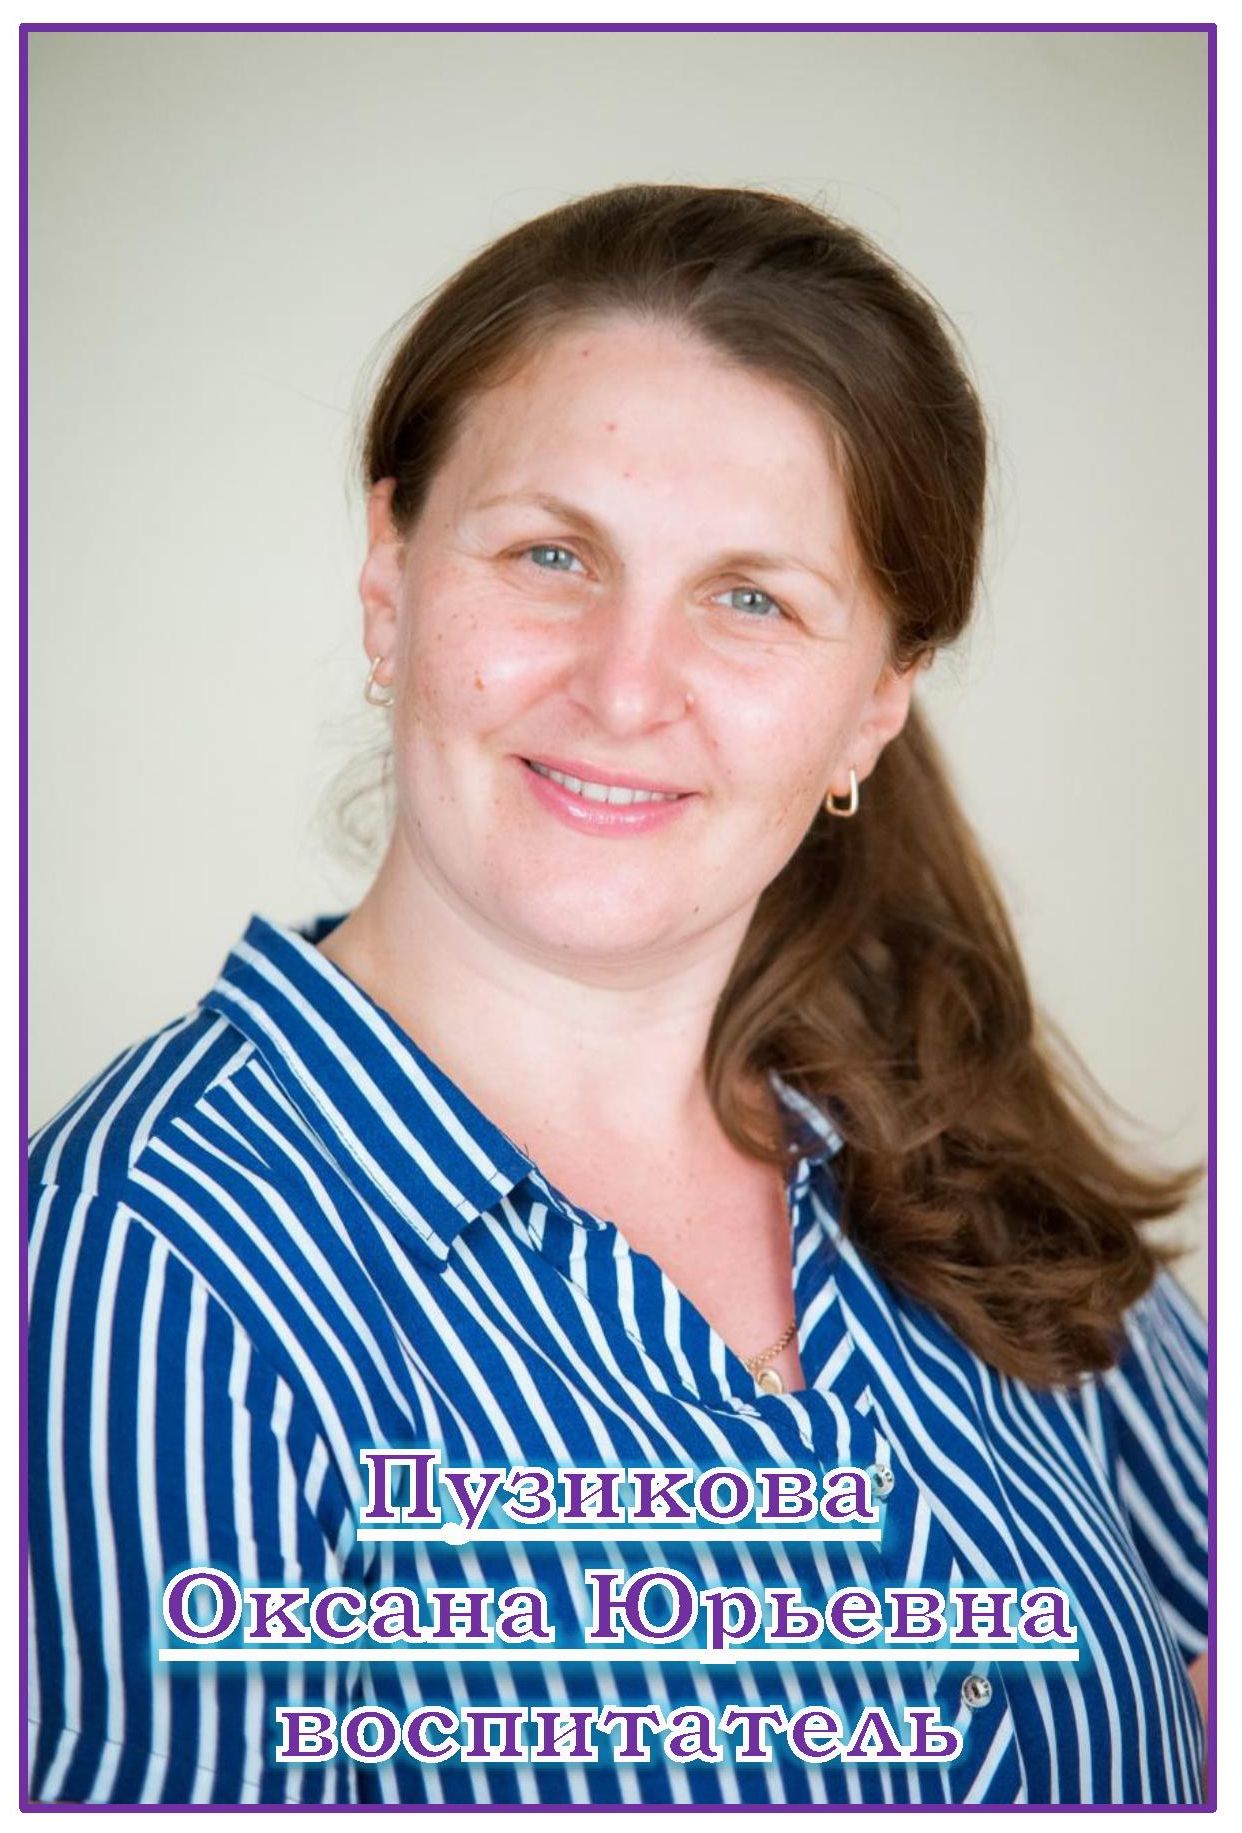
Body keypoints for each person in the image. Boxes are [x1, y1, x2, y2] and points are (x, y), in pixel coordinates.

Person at [27, 183, 1208, 1806]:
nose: (624, 686)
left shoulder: (958, 1152)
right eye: (551, 553)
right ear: (390, 575)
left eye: (750, 597)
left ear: (874, 702)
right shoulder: (151, 1258)